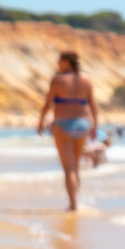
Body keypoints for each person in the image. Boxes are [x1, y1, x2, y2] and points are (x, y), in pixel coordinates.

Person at [36, 50, 98, 211]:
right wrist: (95, 126)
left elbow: (48, 104)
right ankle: (75, 201)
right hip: (83, 124)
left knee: (68, 168)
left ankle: (73, 205)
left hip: (62, 124)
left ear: (67, 62)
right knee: (76, 167)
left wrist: (41, 122)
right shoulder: (86, 80)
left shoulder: (57, 80)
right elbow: (93, 105)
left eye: (59, 61)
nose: (57, 64)